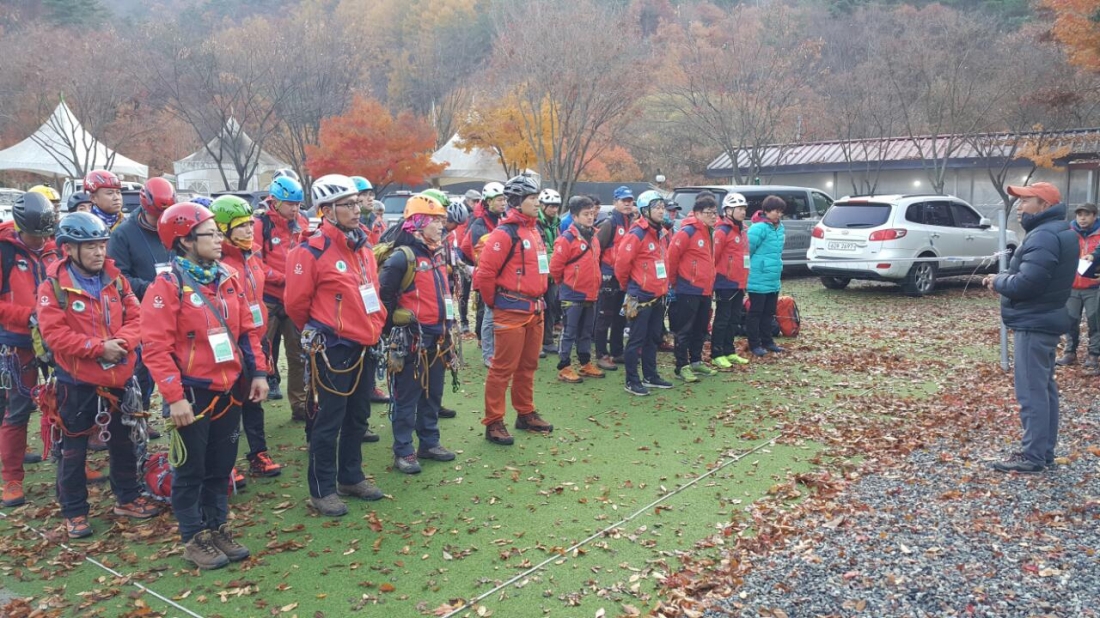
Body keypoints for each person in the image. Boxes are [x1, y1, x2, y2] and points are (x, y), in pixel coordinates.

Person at [140, 202, 268, 569]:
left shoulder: (228, 277)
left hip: (229, 390)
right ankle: (194, 537)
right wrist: (175, 398)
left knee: (221, 465)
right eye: (209, 234)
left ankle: (217, 527)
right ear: (185, 241)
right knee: (190, 469)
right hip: (193, 393)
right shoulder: (168, 286)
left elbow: (247, 332)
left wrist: (258, 374)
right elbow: (156, 347)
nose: (218, 239)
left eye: (217, 232)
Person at [36, 213, 163, 538]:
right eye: (90, 246)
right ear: (68, 249)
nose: (98, 252)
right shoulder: (53, 288)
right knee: (73, 449)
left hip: (118, 377)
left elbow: (138, 317)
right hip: (76, 381)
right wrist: (98, 348)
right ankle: (75, 512)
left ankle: (127, 498)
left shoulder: (117, 281)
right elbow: (54, 334)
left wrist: (122, 343)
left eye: (101, 245)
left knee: (124, 440)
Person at [285, 174, 387, 516]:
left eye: (358, 203)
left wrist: (376, 324)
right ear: (327, 211)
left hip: (364, 343)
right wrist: (326, 328)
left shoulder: (364, 248)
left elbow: (372, 292)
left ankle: (350, 476)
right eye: (348, 204)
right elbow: (296, 304)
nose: (357, 210)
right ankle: (322, 489)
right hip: (333, 347)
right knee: (329, 419)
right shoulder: (309, 252)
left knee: (359, 415)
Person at [982, 182, 1076, 473]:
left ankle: (1033, 456)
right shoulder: (1058, 230)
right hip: (1045, 318)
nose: (1020, 207)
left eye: (1026, 201)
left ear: (1044, 205)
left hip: (1035, 321)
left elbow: (1027, 283)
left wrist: (998, 281)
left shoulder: (1044, 235)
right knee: (1044, 389)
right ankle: (1042, 452)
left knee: (1032, 392)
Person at [378, 196, 458, 474]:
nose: (441, 225)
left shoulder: (437, 253)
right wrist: (393, 329)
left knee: (433, 393)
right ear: (418, 222)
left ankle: (429, 442)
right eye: (434, 220)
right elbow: (384, 297)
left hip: (439, 337)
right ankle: (403, 450)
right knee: (406, 397)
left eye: (441, 220)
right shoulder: (402, 257)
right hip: (412, 340)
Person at [473, 175, 553, 445]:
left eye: (537, 198)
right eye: (532, 198)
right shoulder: (504, 233)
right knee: (502, 368)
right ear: (517, 202)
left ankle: (525, 413)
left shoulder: (534, 230)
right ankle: (494, 421)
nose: (538, 203)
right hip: (511, 310)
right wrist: (495, 304)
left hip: (536, 309)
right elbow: (485, 274)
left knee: (528, 365)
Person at [210, 195, 282, 478]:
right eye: (240, 225)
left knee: (255, 398)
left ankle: (258, 453)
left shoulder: (252, 255)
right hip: (228, 344)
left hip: (255, 337)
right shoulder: (216, 262)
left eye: (250, 224)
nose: (249, 230)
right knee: (226, 404)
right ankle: (223, 463)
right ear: (223, 228)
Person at [0, 192, 59, 507]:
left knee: (64, 401)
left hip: (56, 338)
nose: (41, 240)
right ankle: (12, 478)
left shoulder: (54, 249)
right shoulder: (5, 251)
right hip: (17, 342)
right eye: (36, 235)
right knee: (19, 408)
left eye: (46, 234)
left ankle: (68, 462)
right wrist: (27, 315)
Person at [108, 177, 175, 419]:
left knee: (177, 366)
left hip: (175, 308)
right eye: (157, 216)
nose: (162, 221)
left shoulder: (175, 226)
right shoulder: (123, 234)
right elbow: (118, 277)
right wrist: (154, 288)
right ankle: (138, 419)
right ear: (146, 208)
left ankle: (174, 417)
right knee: (143, 373)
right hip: (143, 312)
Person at [254, 176, 309, 419]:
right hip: (267, 298)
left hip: (293, 298)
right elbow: (255, 262)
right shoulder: (260, 225)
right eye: (290, 204)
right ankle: (253, 407)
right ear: (275, 201)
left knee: (298, 354)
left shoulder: (301, 222)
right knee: (260, 353)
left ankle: (300, 406)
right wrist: (283, 277)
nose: (295, 209)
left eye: (298, 204)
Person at [615, 191, 674, 397]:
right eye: (656, 207)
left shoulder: (661, 233)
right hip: (637, 296)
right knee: (635, 339)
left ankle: (650, 375)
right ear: (645, 210)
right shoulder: (637, 234)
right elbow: (621, 265)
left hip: (658, 295)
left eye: (662, 207)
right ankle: (632, 380)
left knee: (653, 338)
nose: (661, 210)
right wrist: (633, 286)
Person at [666, 191, 719, 382]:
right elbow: (671, 258)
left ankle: (696, 360)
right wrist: (675, 282)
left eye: (714, 212)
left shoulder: (710, 232)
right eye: (708, 212)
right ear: (697, 213)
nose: (713, 216)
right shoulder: (687, 232)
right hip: (688, 288)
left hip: (705, 288)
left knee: (701, 328)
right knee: (684, 330)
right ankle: (681, 366)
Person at [550, 196, 604, 383]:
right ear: (574, 216)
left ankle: (585, 362)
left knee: (587, 331)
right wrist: (567, 284)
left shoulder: (594, 237)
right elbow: (555, 267)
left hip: (591, 292)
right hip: (572, 293)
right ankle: (564, 366)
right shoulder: (567, 239)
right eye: (585, 214)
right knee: (569, 331)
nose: (590, 217)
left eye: (592, 213)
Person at [464, 182, 506, 367]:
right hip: (487, 274)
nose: (503, 203)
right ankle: (488, 353)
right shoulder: (479, 223)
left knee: (497, 315)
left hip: (502, 274)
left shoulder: (502, 220)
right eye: (499, 200)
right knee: (487, 314)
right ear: (489, 202)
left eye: (504, 200)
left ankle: (497, 350)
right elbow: (480, 252)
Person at [595, 186, 636, 371]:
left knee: (621, 316)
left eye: (630, 201)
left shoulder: (633, 223)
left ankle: (617, 351)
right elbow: (597, 248)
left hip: (625, 276)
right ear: (615, 202)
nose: (627, 204)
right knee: (604, 316)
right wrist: (600, 274)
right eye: (623, 201)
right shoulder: (609, 224)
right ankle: (601, 354)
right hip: (609, 276)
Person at [1057, 202, 1100, 372]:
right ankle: (1070, 352)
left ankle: (1094, 354)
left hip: (1094, 286)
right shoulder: (1069, 233)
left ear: (1094, 216)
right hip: (1073, 285)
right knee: (1070, 320)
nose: (1082, 218)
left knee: (1095, 321)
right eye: (1079, 215)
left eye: (1086, 214)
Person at [711, 193, 751, 367]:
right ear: (728, 211)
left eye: (744, 209)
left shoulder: (742, 230)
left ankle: (729, 351)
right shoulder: (722, 231)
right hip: (724, 281)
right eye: (739, 209)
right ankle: (716, 353)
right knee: (723, 318)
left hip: (739, 281)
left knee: (734, 319)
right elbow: (713, 257)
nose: (743, 212)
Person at [745, 196, 787, 357]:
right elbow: (747, 252)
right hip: (758, 277)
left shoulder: (780, 228)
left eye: (781, 212)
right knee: (756, 313)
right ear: (767, 211)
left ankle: (767, 341)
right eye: (776, 211)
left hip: (773, 277)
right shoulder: (758, 228)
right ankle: (754, 343)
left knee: (769, 312)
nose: (779, 215)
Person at [536, 189, 562, 357]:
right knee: (538, 308)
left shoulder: (556, 224)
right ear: (543, 205)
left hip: (553, 272)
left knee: (552, 305)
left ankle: (547, 340)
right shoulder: (536, 223)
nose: (554, 209)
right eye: (551, 206)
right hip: (539, 272)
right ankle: (537, 343)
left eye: (556, 206)